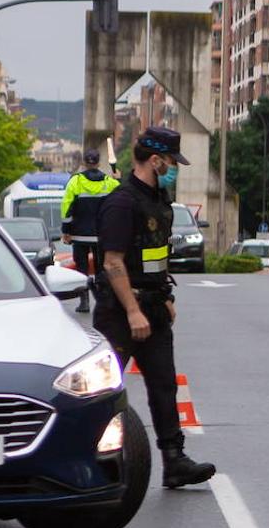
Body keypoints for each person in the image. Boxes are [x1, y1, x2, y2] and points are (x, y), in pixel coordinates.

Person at [94, 126, 216, 489]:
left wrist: (164, 297)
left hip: (154, 305)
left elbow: (156, 257)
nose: (174, 169)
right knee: (104, 389)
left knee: (164, 385)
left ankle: (174, 461)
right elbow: (113, 262)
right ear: (155, 159)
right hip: (120, 311)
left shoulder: (159, 199)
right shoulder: (122, 202)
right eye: (171, 162)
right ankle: (93, 458)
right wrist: (133, 311)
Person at [60, 149, 120, 313]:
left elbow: (66, 207)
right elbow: (122, 197)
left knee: (81, 269)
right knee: (101, 269)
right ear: (99, 163)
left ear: (85, 163)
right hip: (102, 235)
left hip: (79, 235)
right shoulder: (109, 182)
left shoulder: (75, 182)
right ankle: (102, 301)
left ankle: (84, 301)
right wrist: (119, 178)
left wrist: (66, 230)